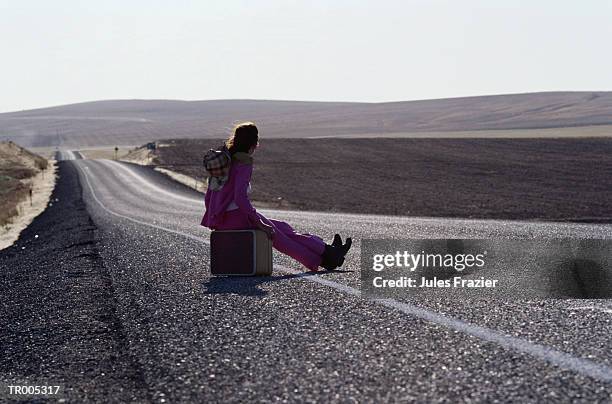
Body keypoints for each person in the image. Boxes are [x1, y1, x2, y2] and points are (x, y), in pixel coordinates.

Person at [201, 122, 351, 271]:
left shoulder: (224, 161)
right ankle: (325, 258)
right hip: (236, 218)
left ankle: (328, 252)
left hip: (222, 220)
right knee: (279, 237)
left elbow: (209, 195)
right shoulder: (243, 162)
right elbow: (240, 198)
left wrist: (214, 220)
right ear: (253, 143)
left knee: (282, 227)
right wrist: (260, 223)